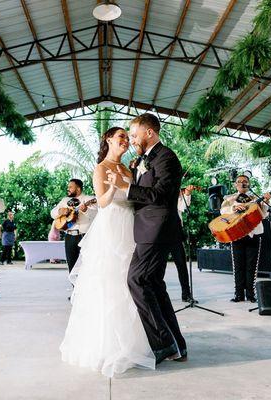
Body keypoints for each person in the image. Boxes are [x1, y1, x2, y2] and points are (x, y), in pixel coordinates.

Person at [60, 126, 155, 377]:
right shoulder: (101, 167)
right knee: (109, 280)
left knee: (131, 280)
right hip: (111, 225)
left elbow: (135, 196)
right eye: (121, 136)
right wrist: (114, 187)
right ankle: (107, 344)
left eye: (128, 136)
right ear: (109, 140)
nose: (125, 140)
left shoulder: (128, 168)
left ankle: (135, 341)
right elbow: (101, 201)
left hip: (131, 223)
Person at [106, 113, 187, 365]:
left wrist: (126, 188)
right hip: (147, 229)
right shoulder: (143, 159)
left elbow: (161, 194)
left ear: (149, 132)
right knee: (152, 284)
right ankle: (177, 345)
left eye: (134, 134)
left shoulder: (166, 157)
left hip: (157, 229)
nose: (131, 139)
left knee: (137, 279)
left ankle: (163, 344)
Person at [220, 175, 271, 303]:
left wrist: (267, 202)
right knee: (238, 266)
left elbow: (264, 214)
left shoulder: (255, 198)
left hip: (253, 234)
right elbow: (223, 212)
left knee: (251, 266)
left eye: (245, 181)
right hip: (236, 234)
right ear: (235, 184)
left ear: (249, 184)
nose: (242, 183)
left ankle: (250, 294)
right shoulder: (229, 198)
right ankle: (238, 294)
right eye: (240, 181)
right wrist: (234, 208)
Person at [51, 179, 97, 275]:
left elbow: (95, 215)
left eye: (71, 187)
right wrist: (60, 211)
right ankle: (74, 288)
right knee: (71, 266)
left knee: (87, 265)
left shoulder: (89, 199)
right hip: (69, 236)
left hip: (84, 236)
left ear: (78, 189)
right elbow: (52, 213)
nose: (68, 189)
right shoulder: (65, 200)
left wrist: (85, 211)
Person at [172, 186, 194, 302]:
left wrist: (187, 194)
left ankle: (186, 294)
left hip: (176, 233)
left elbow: (184, 207)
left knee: (181, 265)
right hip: (160, 233)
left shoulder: (178, 198)